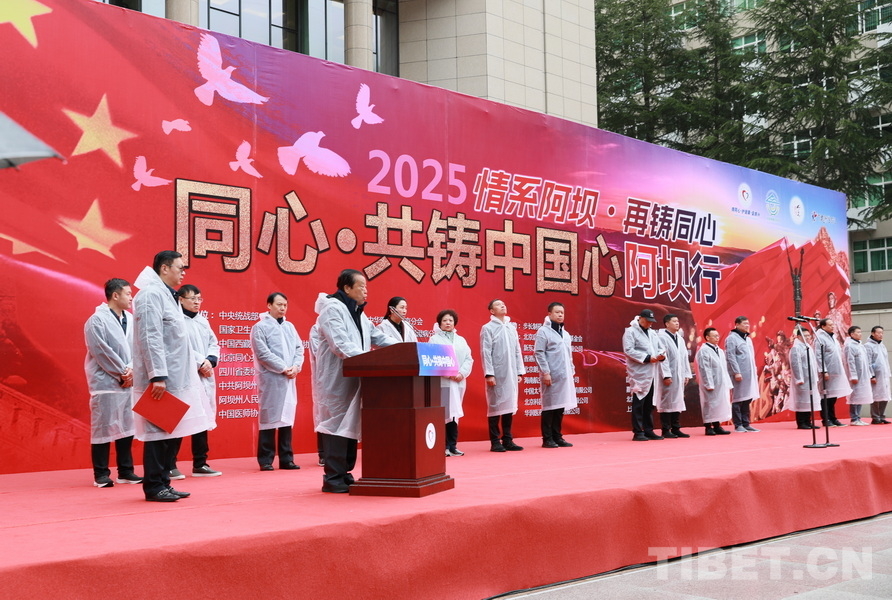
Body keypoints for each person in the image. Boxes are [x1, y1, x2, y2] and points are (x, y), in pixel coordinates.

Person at [310, 269, 396, 493]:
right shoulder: (331, 309)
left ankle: (345, 473)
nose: (366, 291)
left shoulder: (358, 313)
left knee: (349, 426)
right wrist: (369, 361)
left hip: (354, 378)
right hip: (336, 380)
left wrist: (404, 347)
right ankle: (332, 477)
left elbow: (377, 336)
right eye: (362, 286)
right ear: (347, 288)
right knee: (336, 427)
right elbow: (340, 344)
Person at [132, 251, 207, 502]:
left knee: (170, 433)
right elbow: (150, 336)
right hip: (161, 378)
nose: (183, 272)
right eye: (179, 267)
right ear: (164, 268)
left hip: (175, 376)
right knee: (158, 434)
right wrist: (157, 375)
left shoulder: (167, 295)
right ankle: (154, 486)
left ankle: (164, 481)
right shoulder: (150, 295)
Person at [83, 278, 142, 488]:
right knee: (103, 428)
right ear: (115, 295)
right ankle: (101, 473)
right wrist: (122, 373)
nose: (131, 297)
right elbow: (100, 351)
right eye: (128, 293)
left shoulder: (132, 319)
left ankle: (126, 471)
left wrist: (132, 369)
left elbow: (138, 347)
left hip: (129, 382)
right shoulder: (96, 321)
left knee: (127, 427)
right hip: (105, 383)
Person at [168, 284, 222, 478]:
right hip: (184, 376)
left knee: (202, 418)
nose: (197, 302)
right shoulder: (175, 321)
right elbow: (180, 347)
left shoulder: (202, 321)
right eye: (193, 299)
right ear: (181, 299)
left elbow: (213, 343)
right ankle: (169, 464)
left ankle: (200, 463)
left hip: (204, 375)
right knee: (179, 419)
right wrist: (201, 362)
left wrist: (210, 360)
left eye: (199, 299)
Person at [251, 292, 305, 471]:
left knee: (286, 418)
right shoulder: (260, 327)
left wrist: (296, 366)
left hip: (289, 378)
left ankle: (286, 458)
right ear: (269, 305)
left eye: (285, 305)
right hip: (271, 378)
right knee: (269, 418)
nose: (282, 308)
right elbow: (263, 353)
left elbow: (299, 348)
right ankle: (265, 459)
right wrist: (283, 368)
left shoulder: (290, 326)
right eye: (279, 304)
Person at [481, 298, 526, 452]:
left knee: (509, 405)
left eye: (504, 304)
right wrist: (489, 373)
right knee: (495, 406)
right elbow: (486, 352)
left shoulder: (511, 327)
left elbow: (517, 350)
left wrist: (519, 371)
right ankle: (495, 441)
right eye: (499, 305)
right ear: (492, 311)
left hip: (511, 372)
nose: (503, 306)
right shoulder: (487, 328)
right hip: (497, 373)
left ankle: (507, 439)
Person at [429, 309, 473, 456]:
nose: (448, 323)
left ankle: (452, 446)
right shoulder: (434, 339)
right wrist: (448, 373)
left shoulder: (461, 340)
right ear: (439, 323)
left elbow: (468, 359)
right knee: (443, 414)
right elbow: (433, 359)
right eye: (445, 320)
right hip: (444, 382)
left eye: (450, 320)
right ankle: (443, 446)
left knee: (454, 414)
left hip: (458, 382)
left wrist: (461, 373)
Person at [534, 302, 576, 448]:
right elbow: (539, 353)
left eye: (562, 313)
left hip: (564, 375)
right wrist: (545, 372)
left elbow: (569, 355)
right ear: (549, 314)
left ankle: (558, 436)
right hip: (551, 375)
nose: (560, 315)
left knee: (560, 407)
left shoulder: (566, 334)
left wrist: (571, 370)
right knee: (549, 407)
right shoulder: (543, 331)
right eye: (557, 312)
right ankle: (547, 438)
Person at [622, 309, 666, 441]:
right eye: (647, 321)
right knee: (638, 403)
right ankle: (638, 431)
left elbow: (661, 347)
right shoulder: (630, 331)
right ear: (640, 318)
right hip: (639, 372)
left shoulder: (652, 333)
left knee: (649, 403)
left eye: (651, 322)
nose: (650, 324)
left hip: (652, 372)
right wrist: (647, 358)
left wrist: (660, 355)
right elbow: (628, 350)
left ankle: (648, 430)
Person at [656, 313, 691, 438]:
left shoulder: (680, 339)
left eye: (678, 321)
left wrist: (686, 374)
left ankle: (676, 428)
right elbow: (662, 358)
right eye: (674, 321)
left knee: (678, 400)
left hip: (679, 374)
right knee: (667, 401)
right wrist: (666, 375)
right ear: (667, 324)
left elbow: (684, 358)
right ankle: (666, 429)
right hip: (668, 374)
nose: (677, 323)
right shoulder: (661, 337)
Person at [725, 316, 760, 433]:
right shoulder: (731, 338)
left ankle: (746, 423)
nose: (747, 326)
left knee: (747, 398)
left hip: (749, 373)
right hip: (739, 373)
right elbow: (730, 356)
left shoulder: (748, 339)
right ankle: (738, 424)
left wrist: (754, 371)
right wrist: (736, 372)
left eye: (748, 323)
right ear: (737, 324)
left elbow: (751, 357)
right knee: (738, 399)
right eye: (744, 323)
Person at [695, 327, 732, 436]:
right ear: (707, 337)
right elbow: (705, 369)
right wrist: (709, 383)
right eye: (714, 336)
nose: (717, 338)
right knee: (709, 404)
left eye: (717, 335)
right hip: (710, 383)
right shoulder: (704, 351)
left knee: (718, 404)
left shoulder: (719, 350)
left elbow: (723, 368)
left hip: (720, 382)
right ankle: (708, 426)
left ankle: (717, 425)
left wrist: (727, 382)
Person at [815, 318, 851, 427]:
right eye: (830, 325)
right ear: (823, 326)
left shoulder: (833, 337)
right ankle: (826, 419)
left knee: (833, 396)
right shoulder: (819, 338)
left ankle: (833, 418)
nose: (832, 326)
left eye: (833, 324)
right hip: (827, 372)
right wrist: (823, 370)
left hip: (836, 370)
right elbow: (818, 356)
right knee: (826, 396)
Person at [785, 327, 821, 429]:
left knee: (810, 400)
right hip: (802, 379)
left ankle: (808, 421)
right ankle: (801, 422)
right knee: (802, 401)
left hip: (810, 378)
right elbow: (796, 364)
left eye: (809, 335)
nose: (808, 337)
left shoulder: (808, 347)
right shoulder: (796, 348)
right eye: (805, 336)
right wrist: (799, 378)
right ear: (799, 336)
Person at [843, 325, 874, 426]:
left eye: (861, 332)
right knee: (855, 396)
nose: (860, 334)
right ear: (852, 334)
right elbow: (850, 362)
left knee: (860, 396)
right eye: (858, 332)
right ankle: (854, 418)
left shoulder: (860, 345)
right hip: (856, 375)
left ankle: (858, 417)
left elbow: (866, 361)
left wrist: (869, 374)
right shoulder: (849, 346)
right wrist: (853, 376)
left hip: (863, 375)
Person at [865, 326, 891, 424]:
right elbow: (868, 362)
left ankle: (882, 416)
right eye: (878, 333)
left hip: (884, 374)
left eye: (882, 333)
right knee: (876, 396)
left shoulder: (882, 345)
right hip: (875, 375)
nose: (881, 335)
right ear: (873, 333)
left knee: (885, 395)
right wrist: (872, 375)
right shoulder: (868, 346)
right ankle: (875, 417)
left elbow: (885, 361)